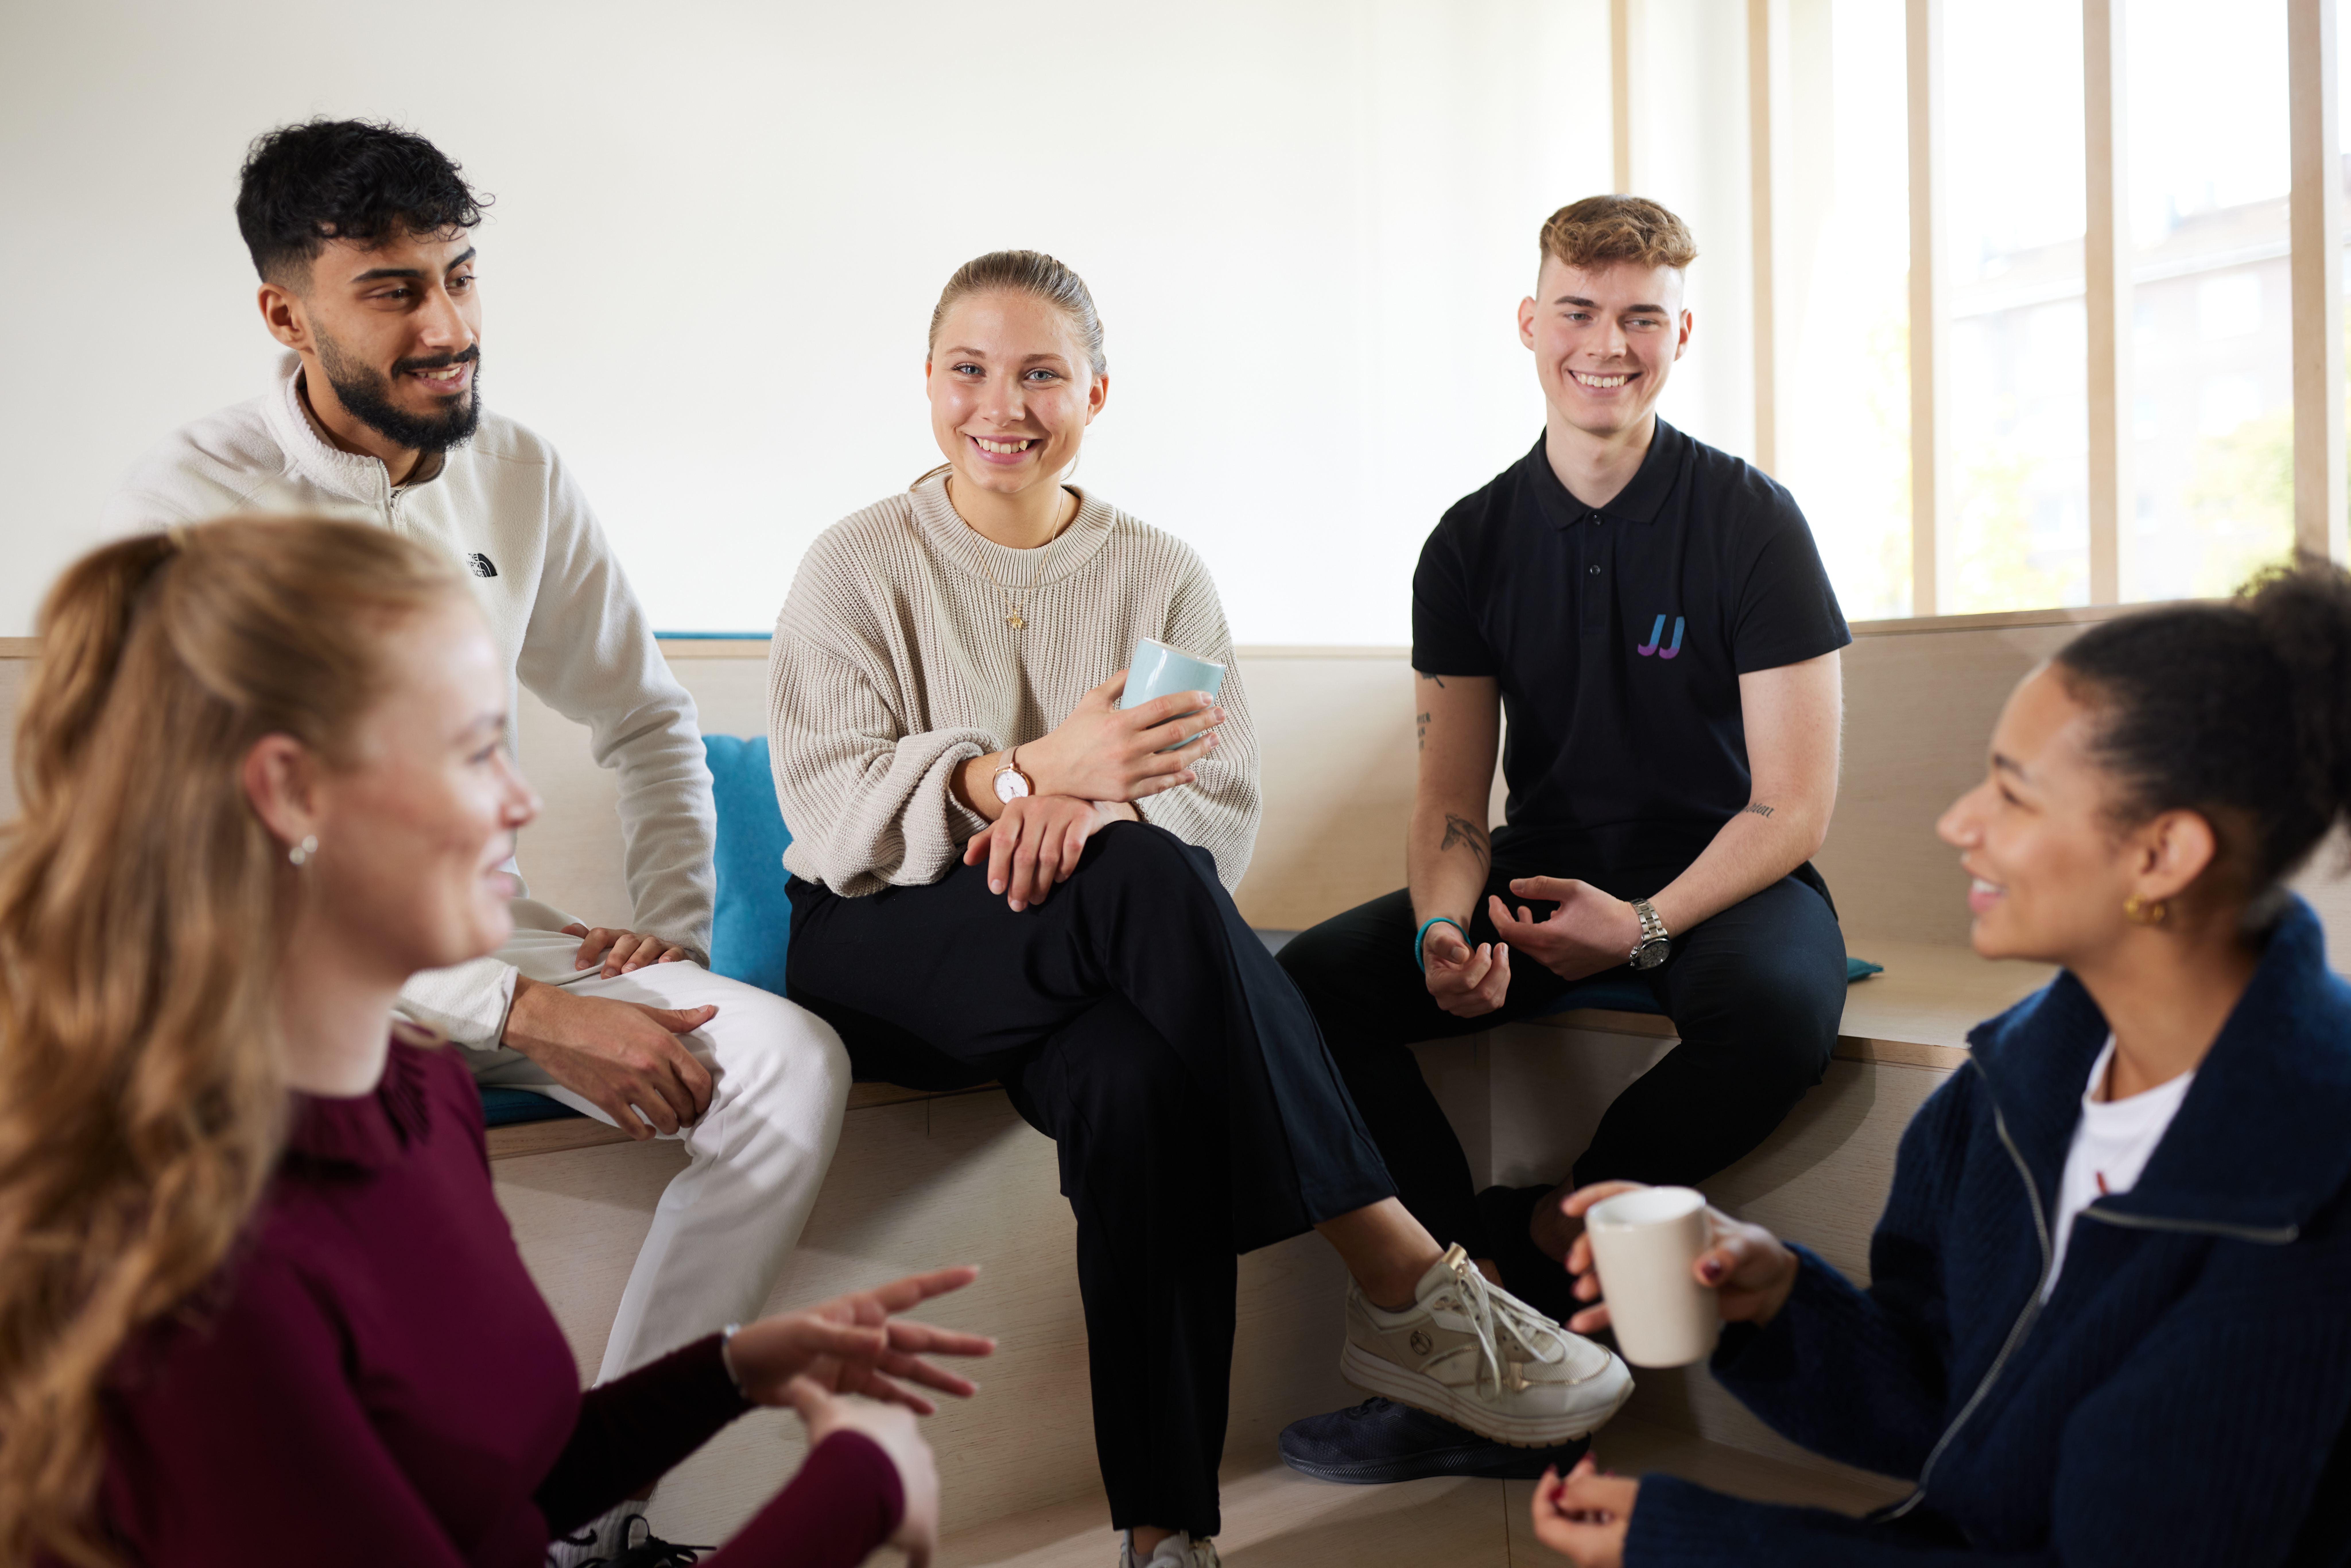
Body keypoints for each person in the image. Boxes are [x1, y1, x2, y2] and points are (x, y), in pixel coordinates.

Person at [766, 249, 1632, 1568]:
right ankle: (1399, 1267)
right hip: (889, 947)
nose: (1001, 404)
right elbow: (829, 815)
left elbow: (1211, 806)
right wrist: (1023, 778)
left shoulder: (1157, 572)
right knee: (1130, 875)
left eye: (1041, 373)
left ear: (1096, 394)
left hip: (1090, 950)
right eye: (968, 370)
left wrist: (1095, 812)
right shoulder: (851, 563)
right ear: (927, 382)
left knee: (1138, 1078)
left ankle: (1165, 1535)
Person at [97, 121, 850, 1558]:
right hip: (256, 970)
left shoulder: (516, 471)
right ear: (285, 312)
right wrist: (523, 1008)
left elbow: (645, 713)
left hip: (477, 928)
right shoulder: (188, 503)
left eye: (459, 276)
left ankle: (594, 1519)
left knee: (786, 1066)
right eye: (392, 290)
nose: (446, 326)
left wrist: (670, 918)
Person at [0, 516, 993, 1568]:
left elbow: (503, 1484)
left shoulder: (421, 1096)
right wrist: (863, 1483)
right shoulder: (201, 1268)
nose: (519, 803)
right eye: (472, 754)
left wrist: (736, 1370)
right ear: (292, 794)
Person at [1533, 564, 2351, 1567]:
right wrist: (1780, 1299)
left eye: (2012, 793)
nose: (1959, 823)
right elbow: (1969, 1411)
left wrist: (1708, 1543)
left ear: (2162, 854)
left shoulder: (2306, 1209)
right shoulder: (2006, 1095)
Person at [1275, 194, 1850, 1483]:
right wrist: (1439, 926)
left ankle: (1531, 1238)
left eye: (1639, 317)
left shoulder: (1752, 521)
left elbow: (1791, 808)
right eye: (1579, 312)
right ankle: (1451, 1299)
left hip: (1722, 877)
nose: (1608, 342)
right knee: (1307, 985)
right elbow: (1447, 809)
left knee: (1777, 1011)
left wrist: (1643, 927)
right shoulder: (1468, 543)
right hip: (1540, 868)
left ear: (1678, 333)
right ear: (1530, 323)